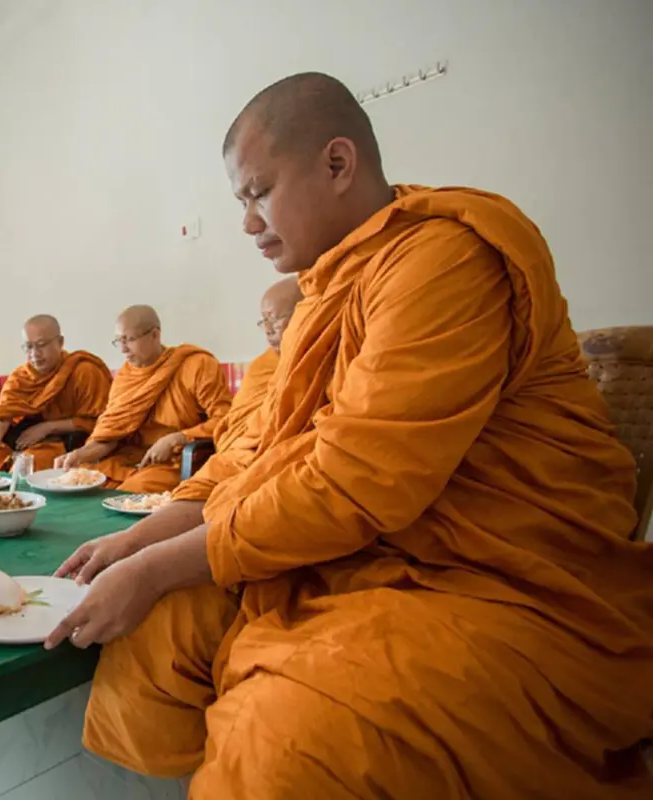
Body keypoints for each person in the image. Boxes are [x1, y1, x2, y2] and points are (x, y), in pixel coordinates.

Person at [46, 73, 653, 797]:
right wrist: (140, 543)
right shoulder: (323, 301)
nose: (245, 222)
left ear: (337, 164)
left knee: (291, 740)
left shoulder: (443, 258)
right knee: (165, 623)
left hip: (492, 581)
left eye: (257, 192)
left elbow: (354, 479)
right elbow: (262, 451)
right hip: (364, 549)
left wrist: (155, 566)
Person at [55, 305, 231, 494]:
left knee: (130, 493)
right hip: (131, 458)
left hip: (174, 462)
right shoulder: (125, 377)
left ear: (155, 335)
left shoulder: (197, 366)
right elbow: (111, 435)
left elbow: (227, 420)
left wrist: (177, 438)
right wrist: (79, 455)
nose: (123, 349)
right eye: (118, 341)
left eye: (129, 340)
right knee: (82, 482)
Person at [0, 314, 111, 472]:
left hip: (62, 444)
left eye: (41, 344)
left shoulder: (84, 371)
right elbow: (2, 413)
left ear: (60, 342)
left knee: (23, 469)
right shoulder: (21, 377)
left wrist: (48, 427)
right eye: (28, 346)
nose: (35, 353)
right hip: (20, 441)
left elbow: (99, 423)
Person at [209, 277, 302, 457]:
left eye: (275, 319)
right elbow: (235, 424)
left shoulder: (319, 359)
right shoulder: (263, 365)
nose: (268, 330)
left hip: (282, 457)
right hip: (235, 456)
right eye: (263, 321)